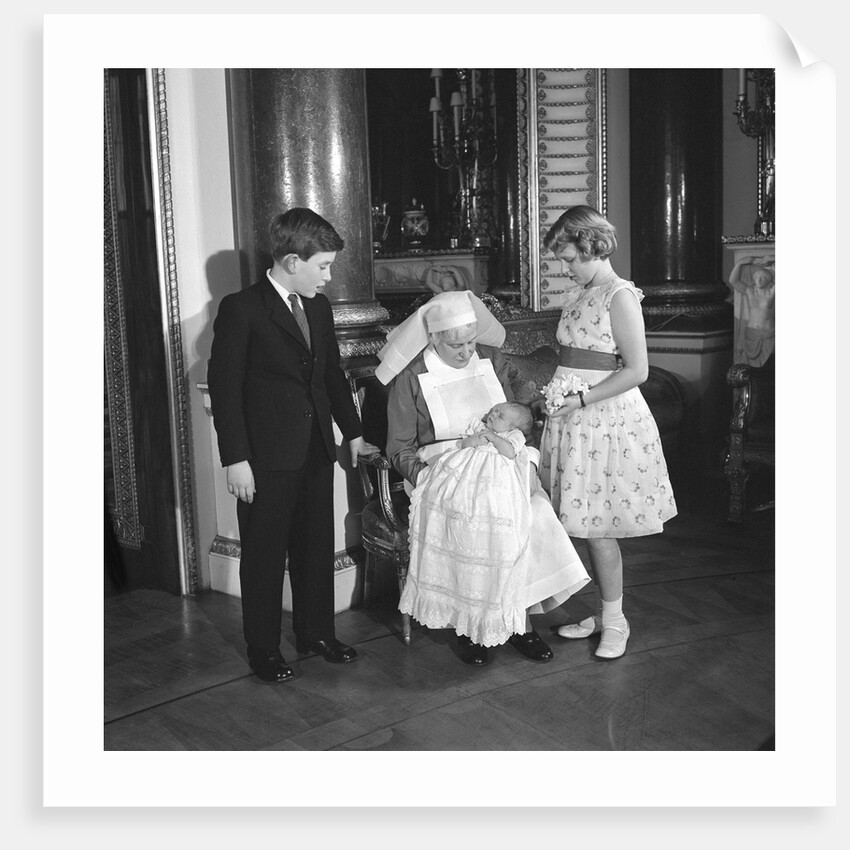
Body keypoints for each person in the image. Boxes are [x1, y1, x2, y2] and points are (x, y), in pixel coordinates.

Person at [207, 208, 378, 683]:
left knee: (314, 546)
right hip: (263, 459)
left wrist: (354, 429)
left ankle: (316, 634)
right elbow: (225, 390)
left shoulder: (319, 308)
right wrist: (236, 459)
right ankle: (262, 649)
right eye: (322, 266)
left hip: (316, 449)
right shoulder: (242, 309)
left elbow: (329, 377)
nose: (328, 276)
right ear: (290, 261)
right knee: (264, 554)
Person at [376, 291, 590, 666]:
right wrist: (434, 477)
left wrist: (520, 461)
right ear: (434, 338)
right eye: (456, 345)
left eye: (471, 342)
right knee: (471, 520)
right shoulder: (411, 376)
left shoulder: (491, 360)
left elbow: (516, 419)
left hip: (499, 463)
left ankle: (519, 621)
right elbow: (399, 449)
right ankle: (469, 625)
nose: (466, 352)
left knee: (533, 512)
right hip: (441, 466)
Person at [538, 205, 677, 660]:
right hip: (570, 422)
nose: (566, 267)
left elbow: (637, 371)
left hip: (603, 421)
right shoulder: (579, 294)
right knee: (577, 524)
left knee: (598, 528)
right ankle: (603, 611)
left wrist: (578, 400)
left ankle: (616, 621)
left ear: (594, 246)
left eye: (571, 258)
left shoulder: (619, 295)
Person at [727, 255, 775, 366]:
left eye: (762, 277)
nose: (759, 280)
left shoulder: (771, 293)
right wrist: (740, 263)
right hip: (751, 334)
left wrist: (774, 258)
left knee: (769, 367)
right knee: (750, 368)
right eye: (757, 277)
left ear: (769, 280)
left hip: (769, 334)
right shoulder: (750, 291)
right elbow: (733, 281)